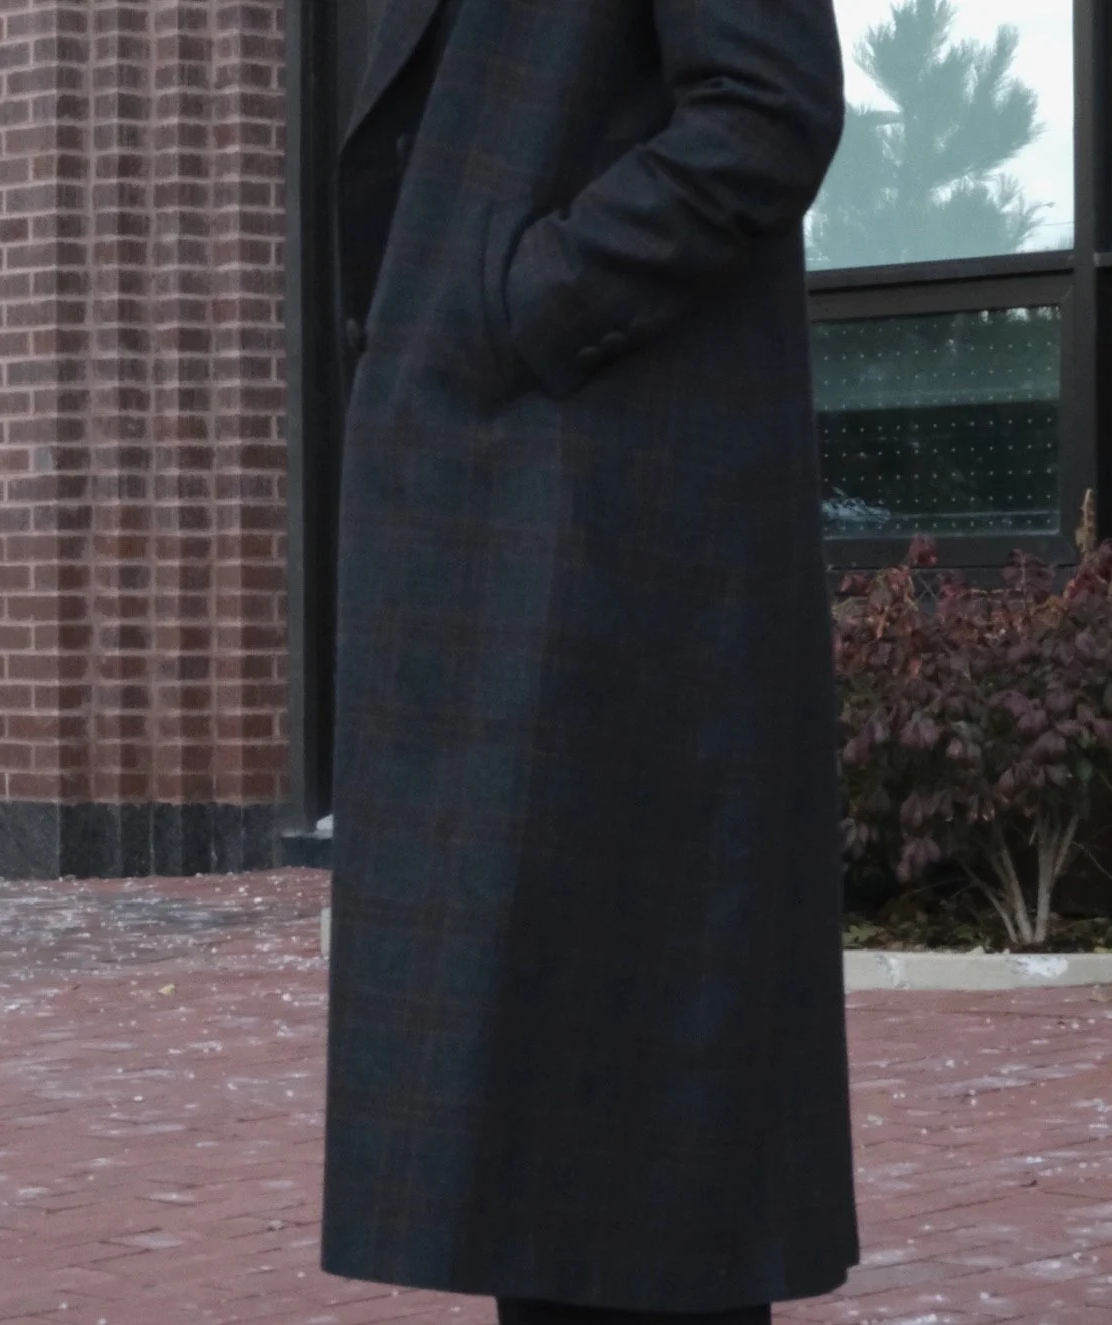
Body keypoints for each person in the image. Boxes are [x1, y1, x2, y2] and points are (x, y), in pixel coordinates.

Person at [321, 3, 860, 1322]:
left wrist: (521, 299)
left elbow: (768, 106)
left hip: (620, 533)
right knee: (552, 1152)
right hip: (519, 525)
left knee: (648, 1148)